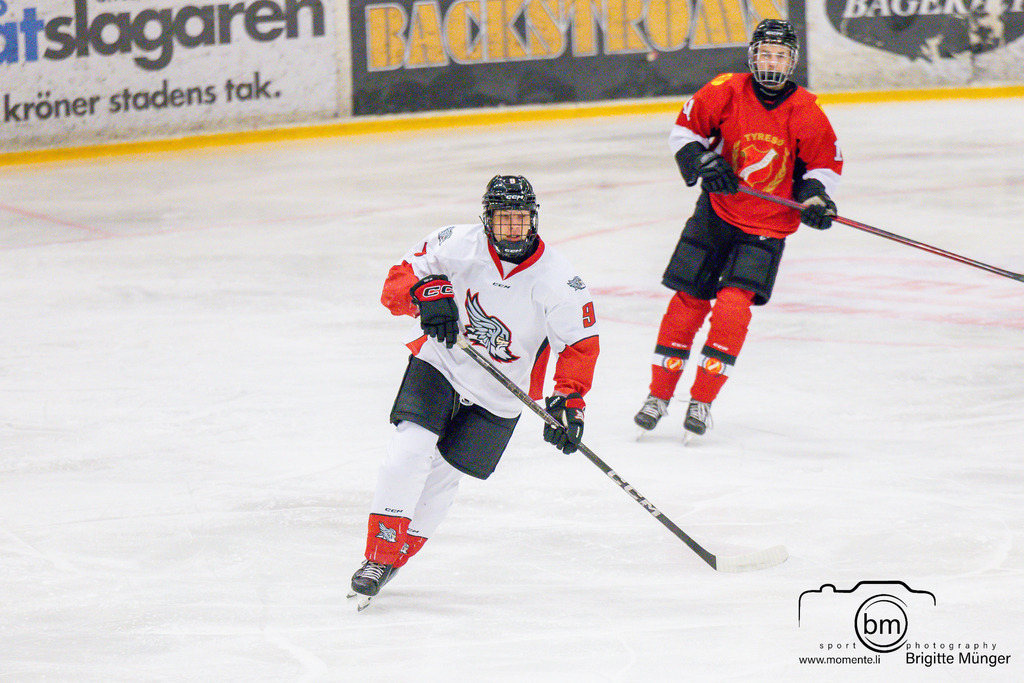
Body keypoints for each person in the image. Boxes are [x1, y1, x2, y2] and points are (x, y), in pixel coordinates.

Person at [350, 175, 600, 607]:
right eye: (503, 221)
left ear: (533, 220)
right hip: (442, 363)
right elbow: (396, 283)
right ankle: (377, 555)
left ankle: (396, 557)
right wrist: (424, 294)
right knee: (408, 450)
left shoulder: (559, 279)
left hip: (500, 394)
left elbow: (579, 345)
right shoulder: (453, 244)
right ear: (486, 220)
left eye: (519, 220)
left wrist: (569, 402)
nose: (511, 231)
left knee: (443, 479)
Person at [633, 18, 843, 438]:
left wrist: (816, 199)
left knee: (732, 309)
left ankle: (702, 401)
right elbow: (685, 132)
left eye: (780, 55)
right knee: (686, 302)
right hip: (716, 214)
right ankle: (658, 395)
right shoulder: (725, 90)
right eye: (765, 53)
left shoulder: (807, 111)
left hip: (766, 228)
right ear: (753, 55)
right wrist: (704, 164)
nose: (771, 62)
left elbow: (821, 167)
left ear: (792, 61)